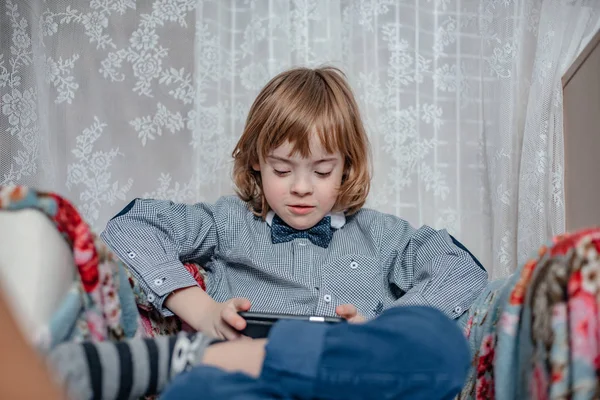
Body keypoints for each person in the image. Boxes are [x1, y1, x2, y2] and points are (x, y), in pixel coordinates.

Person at [51, 65, 486, 399]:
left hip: (355, 381)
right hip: (259, 384)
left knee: (441, 346)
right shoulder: (227, 222)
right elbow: (131, 227)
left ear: (347, 167)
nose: (300, 186)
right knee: (195, 389)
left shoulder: (383, 235)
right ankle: (260, 361)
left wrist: (379, 331)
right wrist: (201, 311)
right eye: (282, 169)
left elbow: (462, 271)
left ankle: (319, 360)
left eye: (321, 170)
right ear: (256, 160)